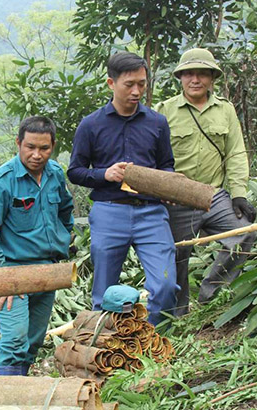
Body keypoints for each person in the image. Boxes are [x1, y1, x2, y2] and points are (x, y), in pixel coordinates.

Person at [68, 51, 178, 326]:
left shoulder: (157, 122)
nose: (137, 90)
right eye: (129, 84)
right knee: (105, 293)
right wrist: (105, 174)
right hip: (108, 212)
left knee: (164, 287)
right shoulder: (91, 124)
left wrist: (171, 184)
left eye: (142, 84)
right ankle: (104, 349)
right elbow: (75, 171)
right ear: (110, 83)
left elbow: (166, 164)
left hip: (152, 213)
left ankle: (154, 347)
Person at [154, 48, 257, 315]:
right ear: (180, 78)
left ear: (212, 78)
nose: (195, 79)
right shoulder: (164, 111)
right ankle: (179, 314)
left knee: (244, 232)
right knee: (176, 257)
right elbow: (150, 155)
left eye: (202, 74)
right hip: (175, 198)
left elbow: (236, 152)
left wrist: (238, 194)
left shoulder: (225, 110)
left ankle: (211, 297)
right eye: (189, 73)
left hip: (214, 194)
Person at [0, 116, 74, 376]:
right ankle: (7, 395)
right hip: (13, 273)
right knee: (15, 338)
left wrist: (64, 238)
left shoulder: (55, 173)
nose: (37, 155)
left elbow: (66, 209)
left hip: (47, 271)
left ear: (53, 146)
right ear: (18, 143)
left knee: (33, 340)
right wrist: (1, 278)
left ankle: (21, 391)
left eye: (44, 148)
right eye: (30, 147)